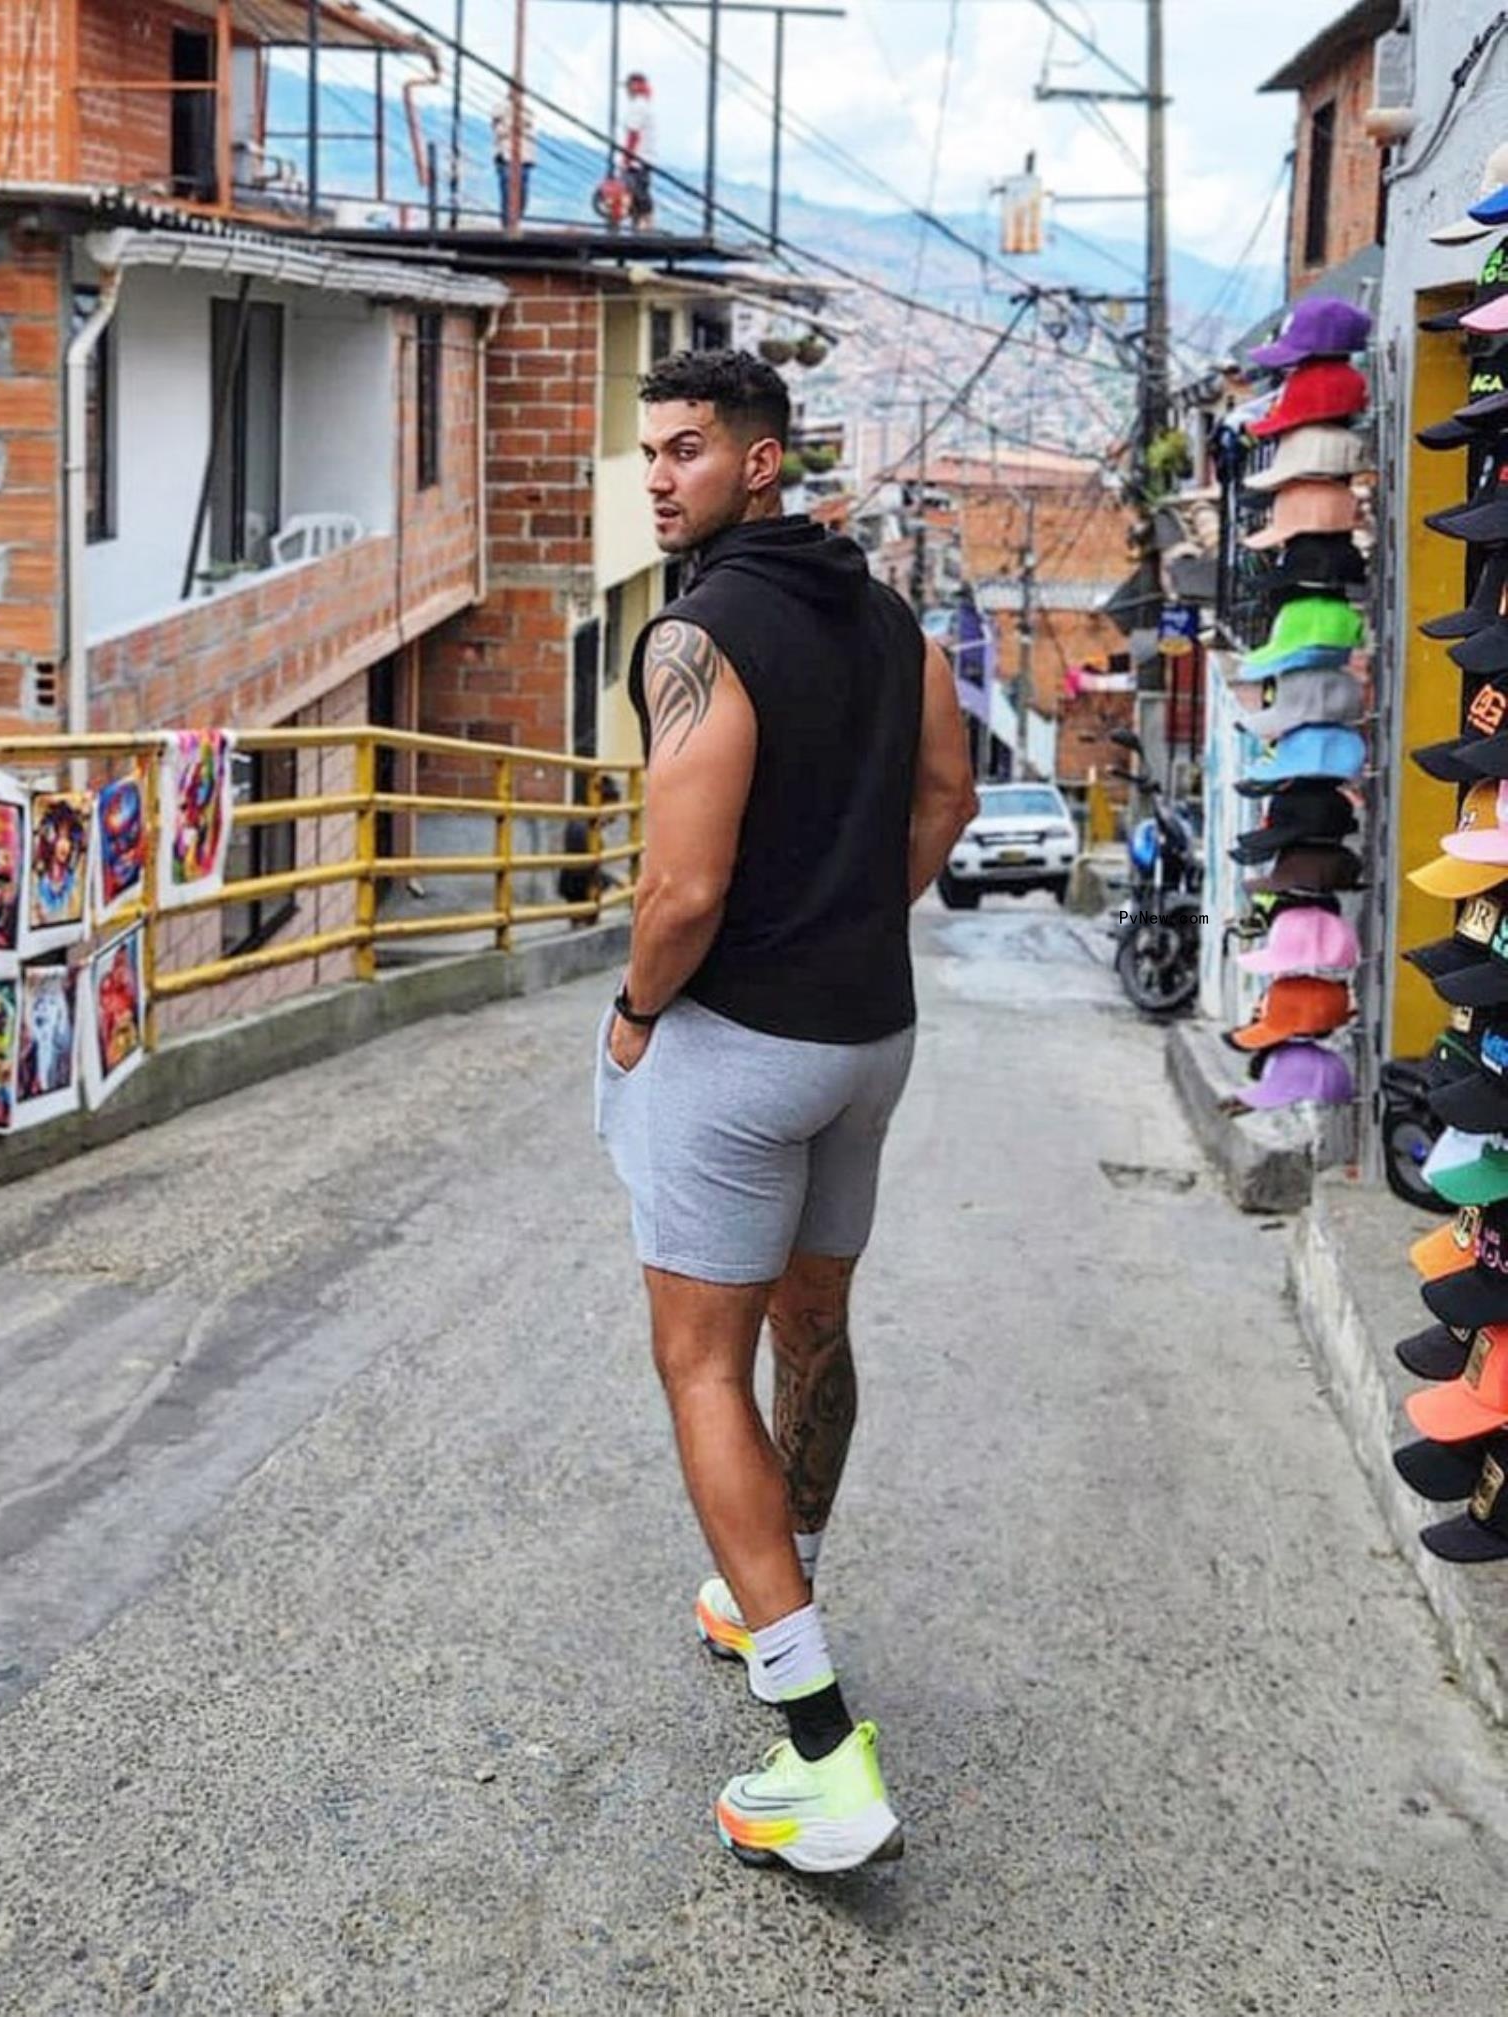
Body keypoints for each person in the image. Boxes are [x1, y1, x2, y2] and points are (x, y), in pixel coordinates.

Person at [595, 349, 977, 1874]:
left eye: (686, 449)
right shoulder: (892, 621)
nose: (659, 476)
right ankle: (775, 1581)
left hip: (738, 1044)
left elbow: (681, 888)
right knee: (812, 1323)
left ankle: (821, 1751)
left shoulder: (696, 635)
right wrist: (851, 920)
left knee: (701, 1364)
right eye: (650, 451)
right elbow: (946, 797)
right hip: (869, 1036)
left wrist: (636, 1014)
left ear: (759, 462)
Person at [558, 775, 624, 919]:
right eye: (615, 806)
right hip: (581, 892)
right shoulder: (585, 828)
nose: (617, 813)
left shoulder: (585, 823)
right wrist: (611, 881)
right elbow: (584, 868)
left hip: (577, 891)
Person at [491, 96, 536, 226]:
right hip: (506, 158)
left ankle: (514, 222)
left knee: (522, 196)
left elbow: (531, 134)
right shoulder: (500, 108)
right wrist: (514, 125)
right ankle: (508, 225)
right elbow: (498, 130)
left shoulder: (527, 110)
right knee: (508, 195)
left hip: (524, 159)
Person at [620, 73, 656, 230]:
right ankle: (642, 224)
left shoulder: (637, 106)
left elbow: (633, 134)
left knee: (637, 193)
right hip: (644, 158)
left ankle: (645, 224)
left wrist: (626, 158)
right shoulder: (645, 106)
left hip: (637, 160)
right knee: (639, 194)